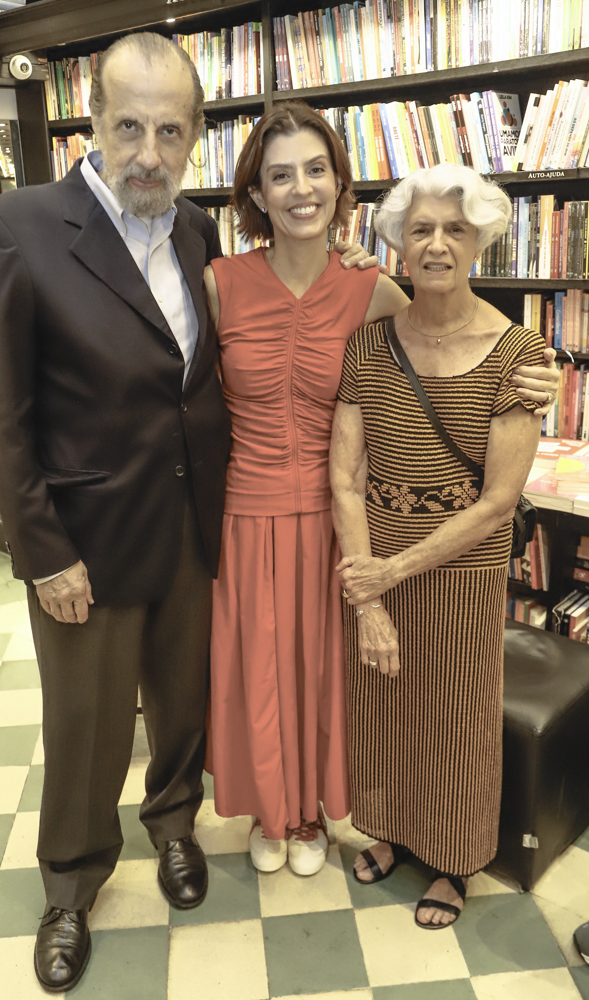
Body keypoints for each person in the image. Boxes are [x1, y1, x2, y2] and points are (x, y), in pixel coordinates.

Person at [0, 33, 376, 994]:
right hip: (87, 543)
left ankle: (175, 829)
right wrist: (42, 551)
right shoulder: (20, 228)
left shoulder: (193, 230)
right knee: (89, 726)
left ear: (194, 135)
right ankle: (70, 886)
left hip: (200, 527)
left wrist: (338, 251)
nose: (148, 151)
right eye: (129, 127)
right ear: (95, 122)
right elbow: (2, 410)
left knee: (180, 708)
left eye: (170, 130)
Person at [204, 112, 559, 879]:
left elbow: (446, 346)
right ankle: (278, 811)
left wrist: (543, 374)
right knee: (264, 671)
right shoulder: (218, 282)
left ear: (339, 185)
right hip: (253, 511)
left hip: (347, 525)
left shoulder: (372, 289)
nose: (300, 188)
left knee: (339, 680)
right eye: (279, 174)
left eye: (315, 170)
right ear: (256, 193)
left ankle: (329, 820)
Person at [330, 163, 549, 929]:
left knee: (455, 713)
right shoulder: (366, 345)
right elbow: (346, 478)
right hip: (374, 553)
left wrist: (384, 575)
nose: (435, 244)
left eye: (454, 229)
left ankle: (454, 861)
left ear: (480, 241)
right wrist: (368, 596)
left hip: (460, 569)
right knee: (382, 704)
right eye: (419, 228)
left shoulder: (520, 355)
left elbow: (495, 502)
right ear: (395, 241)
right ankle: (390, 829)